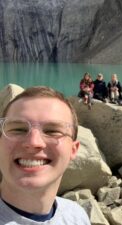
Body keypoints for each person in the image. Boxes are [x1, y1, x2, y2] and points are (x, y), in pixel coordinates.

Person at [0, 86, 91, 224]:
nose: (33, 142)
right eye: (18, 129)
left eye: (52, 131)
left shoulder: (76, 217)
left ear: (73, 150)